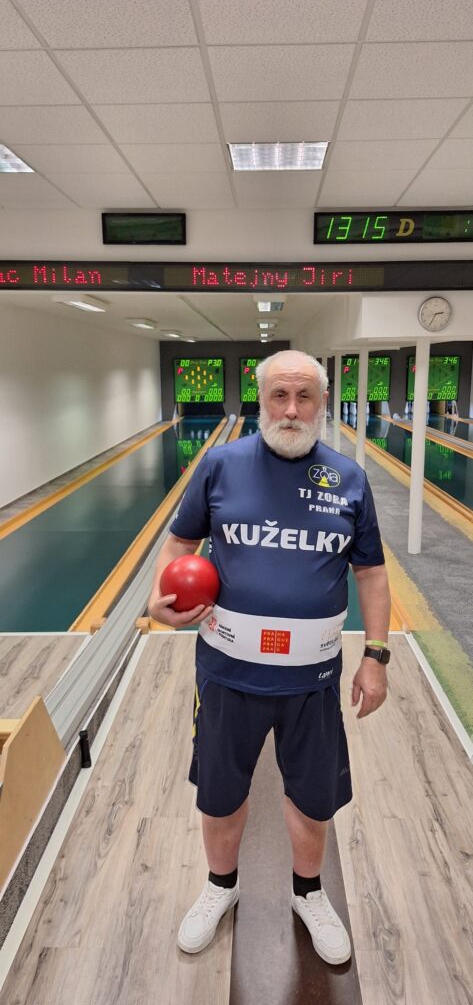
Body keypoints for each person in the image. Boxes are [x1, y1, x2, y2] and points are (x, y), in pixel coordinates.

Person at [148, 350, 390, 965]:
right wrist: (157, 601)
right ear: (261, 400)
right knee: (220, 791)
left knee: (312, 796)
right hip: (228, 674)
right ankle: (219, 887)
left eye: (304, 396)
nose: (291, 409)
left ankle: (309, 895)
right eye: (279, 395)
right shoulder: (220, 466)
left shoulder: (349, 479)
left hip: (314, 679)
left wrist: (376, 655)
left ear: (322, 402)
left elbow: (371, 574)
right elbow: (178, 543)